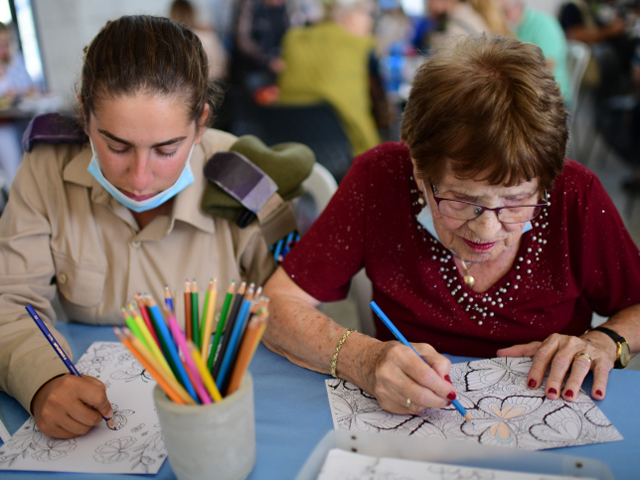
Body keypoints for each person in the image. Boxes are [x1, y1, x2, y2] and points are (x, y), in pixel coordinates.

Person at [262, 35, 640, 418]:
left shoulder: (574, 193)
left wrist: (607, 340)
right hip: (411, 417)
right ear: (418, 170)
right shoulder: (380, 178)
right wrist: (364, 359)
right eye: (463, 200)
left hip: (552, 415)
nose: (489, 229)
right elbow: (275, 306)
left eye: (516, 200)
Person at [0, 15, 279, 439]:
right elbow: (8, 301)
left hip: (218, 414)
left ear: (201, 124)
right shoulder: (45, 170)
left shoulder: (243, 178)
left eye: (167, 149)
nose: (140, 178)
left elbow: (291, 311)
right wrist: (41, 381)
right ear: (84, 114)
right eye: (116, 146)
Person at [277, 0, 382, 162]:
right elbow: (355, 115)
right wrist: (376, 152)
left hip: (290, 149)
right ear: (350, 16)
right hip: (339, 155)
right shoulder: (353, 46)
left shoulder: (293, 39)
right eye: (368, 14)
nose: (371, 22)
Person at [497, 0, 572, 105]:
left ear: (516, 6)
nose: (502, 18)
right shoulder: (514, 29)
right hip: (528, 93)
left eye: (505, 12)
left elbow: (547, 66)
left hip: (551, 98)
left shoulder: (543, 25)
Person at [0, 21, 37, 185]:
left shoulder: (14, 61)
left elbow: (29, 89)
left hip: (19, 123)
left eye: (6, 43)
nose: (5, 49)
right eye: (0, 45)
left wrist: (20, 93)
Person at [169, 0, 228, 81]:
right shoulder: (208, 34)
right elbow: (223, 63)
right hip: (218, 84)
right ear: (192, 14)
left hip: (192, 87)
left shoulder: (173, 39)